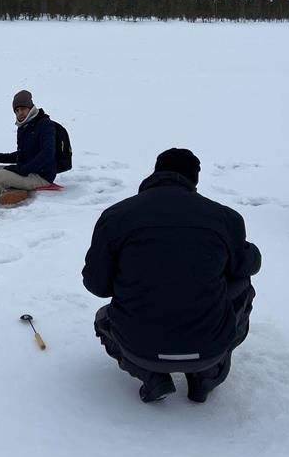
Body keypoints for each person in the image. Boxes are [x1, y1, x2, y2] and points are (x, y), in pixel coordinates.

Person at [83, 149, 261, 404]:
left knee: (104, 319)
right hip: (209, 346)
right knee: (243, 283)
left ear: (156, 172)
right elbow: (247, 266)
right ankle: (206, 374)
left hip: (138, 345)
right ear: (194, 180)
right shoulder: (225, 218)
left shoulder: (116, 216)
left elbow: (96, 284)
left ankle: (151, 375)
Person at [0, 90, 57, 205]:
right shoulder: (23, 127)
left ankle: (14, 191)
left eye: (23, 109)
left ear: (30, 108)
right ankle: (7, 192)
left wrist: (23, 170)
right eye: (17, 110)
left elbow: (47, 154)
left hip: (42, 176)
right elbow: (21, 155)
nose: (20, 113)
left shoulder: (45, 124)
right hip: (26, 171)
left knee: (2, 175)